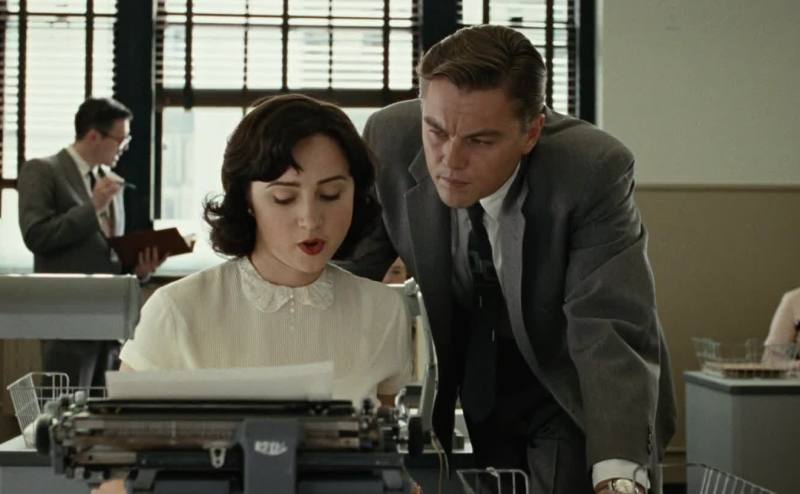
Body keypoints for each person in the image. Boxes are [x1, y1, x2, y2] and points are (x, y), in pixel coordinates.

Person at [345, 25, 677, 494]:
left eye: (480, 141)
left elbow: (607, 324)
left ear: (531, 132)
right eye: (436, 131)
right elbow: (349, 276)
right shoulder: (390, 138)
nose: (450, 160)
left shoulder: (591, 169)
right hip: (474, 386)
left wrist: (619, 477)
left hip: (570, 387)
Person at [118, 94, 412, 408]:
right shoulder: (177, 309)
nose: (310, 219)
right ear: (246, 199)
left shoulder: (383, 309)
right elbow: (122, 431)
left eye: (331, 194)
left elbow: (385, 430)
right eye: (284, 197)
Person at [17, 97, 163, 388]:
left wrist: (138, 270)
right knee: (63, 405)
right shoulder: (42, 170)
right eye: (120, 140)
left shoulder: (110, 180)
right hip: (67, 320)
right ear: (94, 136)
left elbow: (108, 251)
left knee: (102, 410)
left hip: (110, 324)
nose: (123, 148)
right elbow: (36, 235)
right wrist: (92, 206)